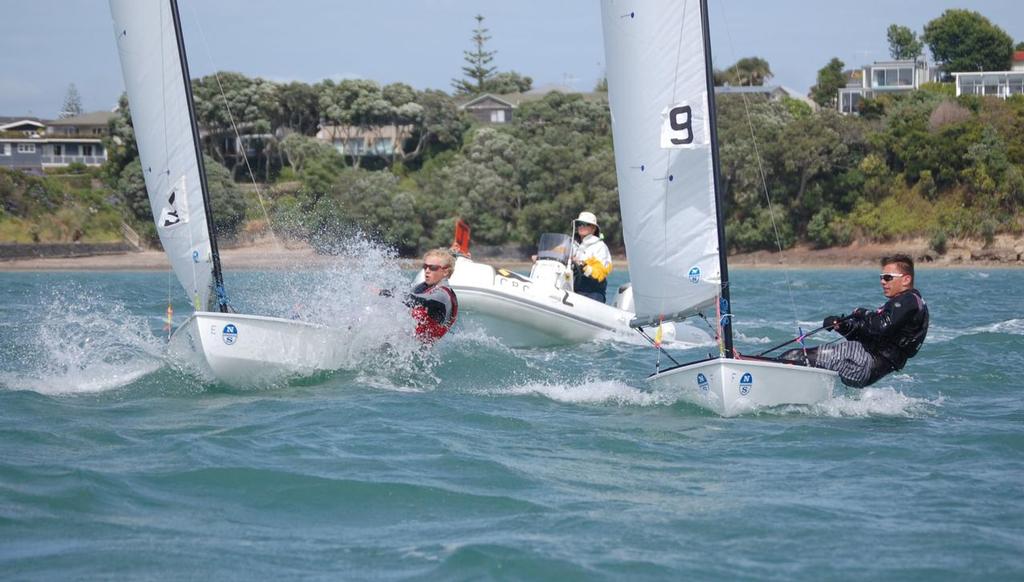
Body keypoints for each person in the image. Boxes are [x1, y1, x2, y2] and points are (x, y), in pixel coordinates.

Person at [780, 254, 929, 388]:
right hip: (867, 363)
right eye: (881, 277)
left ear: (906, 279)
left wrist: (863, 312)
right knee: (804, 360)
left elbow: (880, 326)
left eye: (888, 277)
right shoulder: (905, 304)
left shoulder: (909, 300)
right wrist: (842, 325)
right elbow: (872, 334)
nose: (883, 282)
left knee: (793, 356)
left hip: (866, 363)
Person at [407, 248, 459, 343]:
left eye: (433, 268)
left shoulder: (442, 294)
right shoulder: (424, 287)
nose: (427, 271)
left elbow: (417, 300)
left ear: (445, 272)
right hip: (412, 341)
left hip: (425, 349)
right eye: (425, 266)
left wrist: (384, 292)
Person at [571, 211, 613, 303]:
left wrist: (583, 265)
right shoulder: (573, 245)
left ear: (593, 228)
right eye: (579, 224)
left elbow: (601, 272)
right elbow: (559, 253)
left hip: (592, 293)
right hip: (574, 290)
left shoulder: (600, 246)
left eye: (585, 224)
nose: (581, 226)